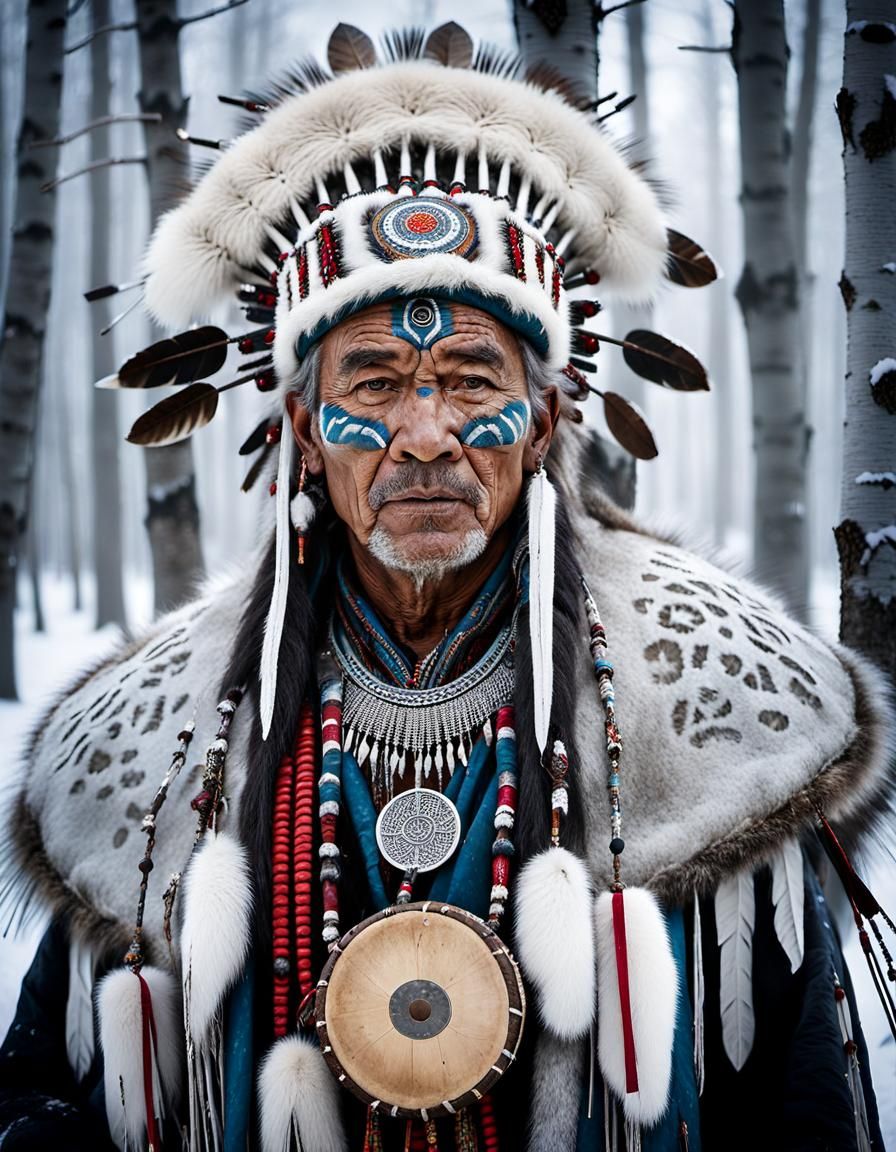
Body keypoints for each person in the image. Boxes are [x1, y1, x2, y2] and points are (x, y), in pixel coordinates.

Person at [1, 23, 892, 1152]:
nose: (424, 434)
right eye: (371, 380)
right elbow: (39, 1090)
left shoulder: (705, 710)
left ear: (545, 423)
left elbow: (797, 1103)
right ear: (302, 434)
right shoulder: (170, 725)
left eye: (472, 377)